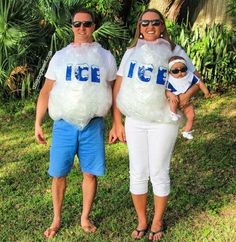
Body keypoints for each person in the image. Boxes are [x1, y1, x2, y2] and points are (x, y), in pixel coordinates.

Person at [109, 9, 201, 241]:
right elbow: (119, 86)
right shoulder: (131, 52)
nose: (150, 26)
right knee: (137, 172)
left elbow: (195, 78)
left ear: (162, 26)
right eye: (145, 22)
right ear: (139, 26)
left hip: (163, 121)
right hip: (135, 120)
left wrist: (184, 97)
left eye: (155, 22)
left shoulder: (173, 50)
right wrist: (116, 121)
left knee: (159, 171)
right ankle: (142, 220)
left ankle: (157, 221)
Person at [35, 9, 117, 239]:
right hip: (64, 125)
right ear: (71, 26)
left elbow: (113, 90)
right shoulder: (60, 57)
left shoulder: (106, 57)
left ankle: (85, 217)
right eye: (77, 24)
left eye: (87, 24)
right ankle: (56, 218)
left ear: (94, 26)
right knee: (58, 174)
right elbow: (46, 91)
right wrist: (38, 122)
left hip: (93, 124)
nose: (82, 28)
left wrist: (116, 123)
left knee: (90, 174)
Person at [166, 56, 210, 139]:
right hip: (175, 100)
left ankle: (186, 131)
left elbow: (199, 83)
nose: (180, 73)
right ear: (170, 72)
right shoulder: (170, 79)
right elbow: (166, 91)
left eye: (183, 69)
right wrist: (171, 95)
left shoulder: (189, 75)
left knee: (191, 116)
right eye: (175, 71)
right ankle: (173, 113)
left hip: (187, 103)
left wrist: (206, 92)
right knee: (173, 100)